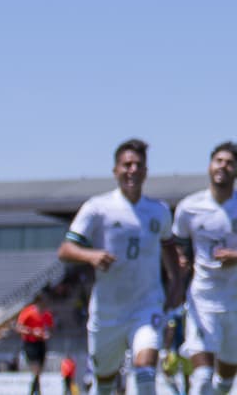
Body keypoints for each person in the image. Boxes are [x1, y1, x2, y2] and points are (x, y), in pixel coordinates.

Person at [58, 139, 185, 395]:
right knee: (104, 383)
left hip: (146, 305)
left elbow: (170, 248)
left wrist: (176, 284)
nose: (133, 170)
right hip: (108, 311)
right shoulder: (97, 208)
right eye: (127, 165)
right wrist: (90, 255)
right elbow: (65, 250)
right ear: (115, 170)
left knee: (146, 370)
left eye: (138, 165)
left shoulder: (158, 210)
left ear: (146, 171)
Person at [172, 142, 237, 395]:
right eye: (218, 161)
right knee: (202, 378)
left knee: (224, 384)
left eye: (230, 163)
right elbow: (176, 245)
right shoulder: (189, 207)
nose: (223, 166)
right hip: (203, 300)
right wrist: (180, 260)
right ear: (210, 166)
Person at [15, 293, 53, 395]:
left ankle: (33, 390)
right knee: (35, 367)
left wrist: (47, 334)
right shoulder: (28, 312)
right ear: (39, 301)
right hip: (30, 343)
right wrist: (32, 331)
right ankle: (37, 391)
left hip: (41, 343)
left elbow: (49, 328)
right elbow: (19, 327)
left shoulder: (47, 314)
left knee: (39, 369)